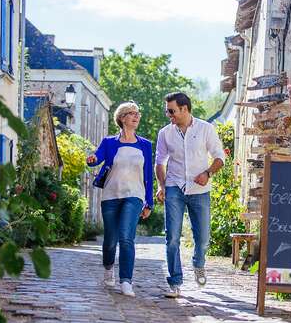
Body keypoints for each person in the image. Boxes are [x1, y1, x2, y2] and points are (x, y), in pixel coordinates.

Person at [155, 92, 225, 298]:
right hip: (174, 187)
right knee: (172, 238)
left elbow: (220, 157)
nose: (169, 115)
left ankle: (199, 264)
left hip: (199, 190)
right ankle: (175, 282)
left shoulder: (206, 129)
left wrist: (208, 173)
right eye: (167, 111)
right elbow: (160, 162)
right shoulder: (165, 133)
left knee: (203, 239)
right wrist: (161, 185)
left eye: (171, 111)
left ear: (184, 109)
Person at [87, 101, 153, 297]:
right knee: (110, 240)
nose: (136, 116)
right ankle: (108, 268)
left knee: (126, 238)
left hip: (134, 196)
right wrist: (91, 159)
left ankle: (126, 281)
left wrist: (149, 202)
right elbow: (97, 158)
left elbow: (148, 175)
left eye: (137, 113)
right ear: (122, 118)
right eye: (131, 113)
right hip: (111, 196)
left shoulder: (145, 145)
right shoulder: (109, 142)